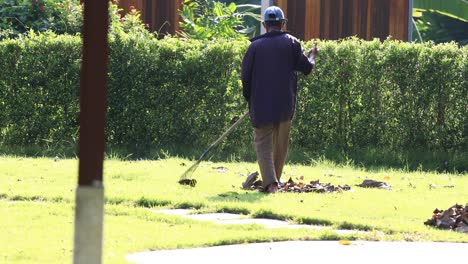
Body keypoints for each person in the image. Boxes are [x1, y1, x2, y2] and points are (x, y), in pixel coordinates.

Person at [241, 6, 318, 193]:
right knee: (280, 145)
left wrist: (249, 98)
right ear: (282, 24)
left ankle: (271, 183)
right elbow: (307, 68)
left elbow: (245, 77)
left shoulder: (254, 47)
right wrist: (312, 56)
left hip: (261, 106)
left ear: (265, 25)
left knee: (263, 145)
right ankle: (274, 181)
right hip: (285, 105)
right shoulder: (292, 43)